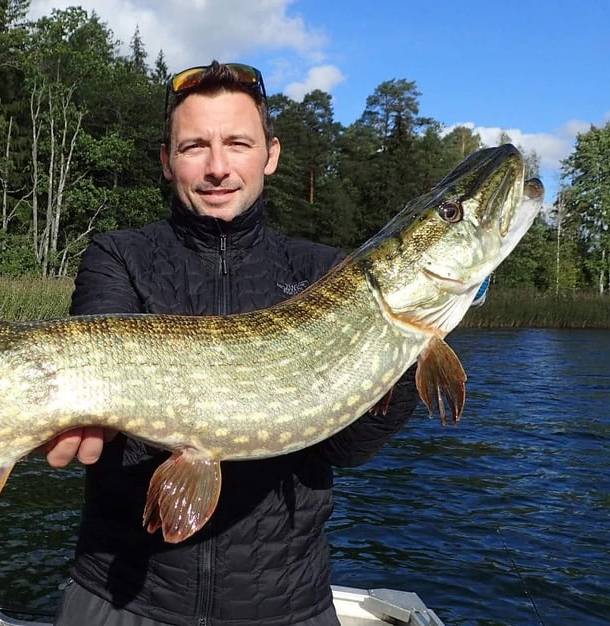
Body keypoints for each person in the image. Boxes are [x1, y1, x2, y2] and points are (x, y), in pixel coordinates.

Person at [45, 61, 419, 626]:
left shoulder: (325, 272)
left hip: (286, 607)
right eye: (195, 146)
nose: (218, 168)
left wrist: (407, 345)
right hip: (121, 598)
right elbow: (101, 400)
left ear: (270, 154)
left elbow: (346, 450)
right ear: (168, 162)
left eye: (237, 143)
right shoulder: (119, 255)